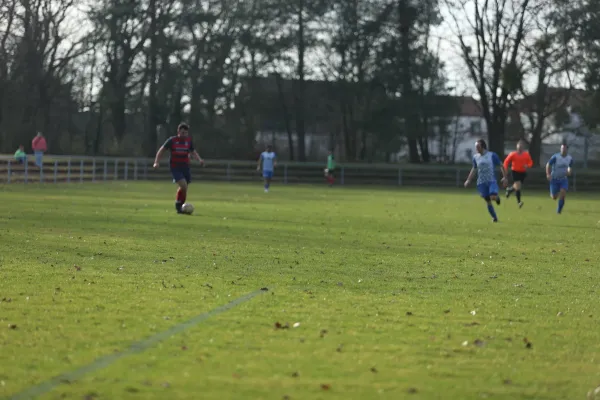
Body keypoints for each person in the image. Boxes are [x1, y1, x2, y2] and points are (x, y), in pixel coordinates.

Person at [153, 123, 204, 214]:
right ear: (178, 132)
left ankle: (180, 204)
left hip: (185, 167)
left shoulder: (188, 141)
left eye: (185, 133)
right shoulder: (172, 140)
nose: (183, 135)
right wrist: (156, 162)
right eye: (182, 132)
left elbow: (193, 152)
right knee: (183, 185)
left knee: (184, 187)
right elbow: (161, 150)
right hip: (175, 167)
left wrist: (199, 160)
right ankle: (179, 206)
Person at [464, 139, 508, 222]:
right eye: (476, 147)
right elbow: (474, 168)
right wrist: (468, 180)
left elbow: (501, 165)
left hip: (491, 180)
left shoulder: (492, 155)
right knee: (488, 200)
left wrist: (505, 177)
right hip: (481, 182)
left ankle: (497, 198)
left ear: (483, 147)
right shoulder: (475, 157)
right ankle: (494, 218)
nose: (476, 148)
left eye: (478, 147)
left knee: (493, 196)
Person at [503, 139, 533, 208]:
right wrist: (505, 169)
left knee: (517, 186)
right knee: (518, 187)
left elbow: (530, 162)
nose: (520, 148)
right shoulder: (513, 154)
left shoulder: (526, 154)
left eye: (521, 147)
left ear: (523, 147)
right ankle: (519, 202)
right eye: (519, 147)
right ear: (517, 147)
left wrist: (527, 165)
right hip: (515, 172)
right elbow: (506, 162)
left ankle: (509, 190)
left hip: (522, 172)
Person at [546, 143, 573, 214]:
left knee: (563, 193)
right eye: (562, 148)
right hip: (554, 179)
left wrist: (569, 171)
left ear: (567, 149)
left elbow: (570, 167)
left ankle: (559, 211)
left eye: (564, 148)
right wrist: (548, 174)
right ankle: (556, 193)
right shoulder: (556, 157)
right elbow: (548, 164)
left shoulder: (569, 158)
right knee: (554, 197)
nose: (563, 150)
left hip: (563, 179)